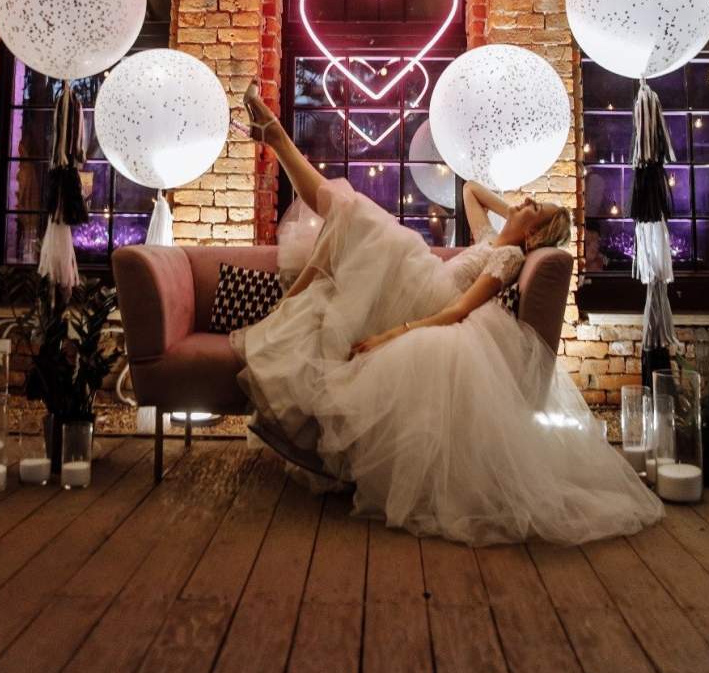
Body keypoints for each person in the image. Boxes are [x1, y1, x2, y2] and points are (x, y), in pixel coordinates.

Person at [230, 81, 664, 547]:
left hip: (427, 298)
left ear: (534, 236)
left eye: (533, 207)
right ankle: (276, 138)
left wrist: (395, 334)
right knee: (348, 213)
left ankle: (276, 139)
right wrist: (516, 215)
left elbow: (458, 309)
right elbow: (472, 189)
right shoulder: (492, 239)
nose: (524, 201)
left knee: (355, 215)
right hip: (420, 274)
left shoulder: (508, 258)